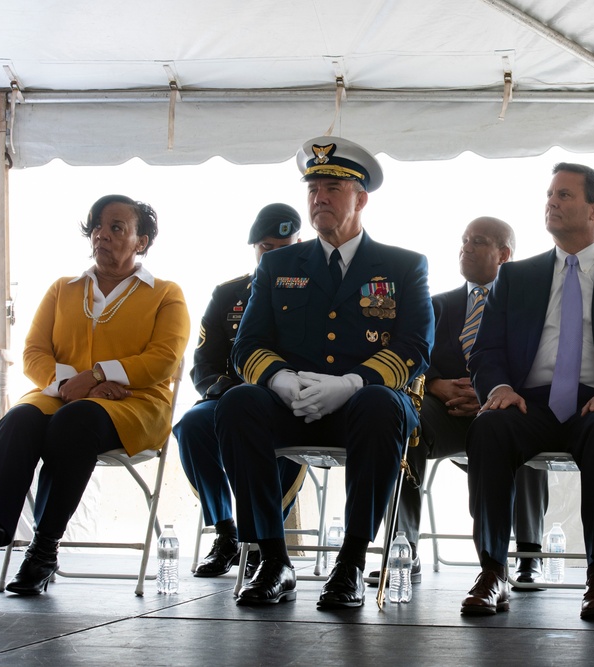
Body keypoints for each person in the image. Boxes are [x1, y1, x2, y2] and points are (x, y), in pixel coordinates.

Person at [215, 136, 434, 607]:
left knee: (381, 406)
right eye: (313, 187)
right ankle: (273, 560)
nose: (320, 197)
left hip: (363, 404)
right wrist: (279, 378)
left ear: (361, 198)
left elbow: (415, 346)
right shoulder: (278, 265)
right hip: (291, 403)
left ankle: (351, 564)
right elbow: (246, 345)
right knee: (237, 403)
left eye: (333, 187)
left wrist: (352, 383)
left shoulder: (403, 265)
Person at [461, 163, 594, 620]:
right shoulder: (515, 277)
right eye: (549, 195)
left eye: (564, 195)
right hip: (528, 402)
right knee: (489, 428)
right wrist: (497, 388)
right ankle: (493, 570)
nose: (551, 203)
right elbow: (485, 351)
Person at [0, 194, 189, 602]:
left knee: (76, 420)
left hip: (136, 404)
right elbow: (33, 353)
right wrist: (72, 385)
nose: (102, 234)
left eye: (116, 227)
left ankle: (44, 547)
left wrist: (97, 375)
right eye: (97, 226)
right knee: (17, 420)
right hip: (63, 396)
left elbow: (163, 359)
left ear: (142, 241)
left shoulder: (166, 293)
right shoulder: (63, 289)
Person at [388, 217, 550, 587]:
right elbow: (409, 358)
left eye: (478, 241)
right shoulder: (436, 306)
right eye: (464, 240)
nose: (466, 247)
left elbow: (542, 364)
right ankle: (403, 547)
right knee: (403, 422)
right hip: (445, 410)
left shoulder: (529, 306)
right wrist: (436, 386)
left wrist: (494, 392)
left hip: (504, 406)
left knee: (522, 425)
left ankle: (528, 555)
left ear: (504, 254)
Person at [173, 203, 306, 578]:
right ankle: (227, 534)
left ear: (300, 244)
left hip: (288, 401)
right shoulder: (228, 294)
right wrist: (227, 390)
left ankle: (266, 540)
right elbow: (204, 365)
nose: (273, 255)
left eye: (283, 247)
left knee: (275, 432)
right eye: (265, 247)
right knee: (192, 427)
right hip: (232, 395)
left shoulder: (312, 294)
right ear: (254, 249)